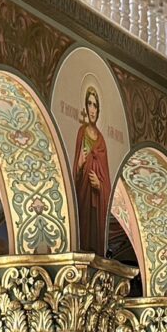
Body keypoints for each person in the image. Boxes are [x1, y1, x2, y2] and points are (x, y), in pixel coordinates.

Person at [71, 86, 110, 255]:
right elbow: (75, 172)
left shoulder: (101, 141)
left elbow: (107, 182)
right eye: (89, 104)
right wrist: (80, 164)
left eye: (95, 105)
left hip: (96, 199)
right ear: (86, 107)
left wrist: (99, 185)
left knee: (95, 240)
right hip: (84, 196)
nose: (92, 109)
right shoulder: (82, 133)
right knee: (83, 237)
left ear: (98, 109)